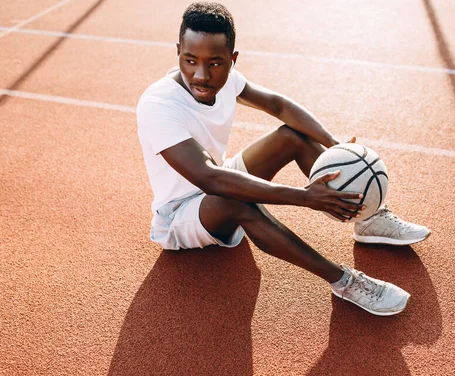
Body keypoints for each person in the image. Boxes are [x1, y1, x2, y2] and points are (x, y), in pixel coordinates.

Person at [136, 2, 430, 316]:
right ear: (178, 51)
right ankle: (343, 281)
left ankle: (367, 218)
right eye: (190, 60)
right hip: (181, 214)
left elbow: (278, 106)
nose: (201, 75)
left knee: (294, 136)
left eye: (215, 64)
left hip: (219, 179)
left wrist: (335, 146)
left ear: (232, 61)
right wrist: (305, 197)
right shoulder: (158, 105)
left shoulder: (228, 79)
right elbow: (209, 178)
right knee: (235, 200)